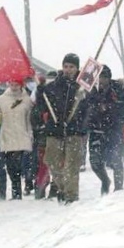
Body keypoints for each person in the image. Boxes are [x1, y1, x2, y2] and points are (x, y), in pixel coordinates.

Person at [35, 53, 88, 204]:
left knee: (72, 165)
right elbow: (42, 107)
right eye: (65, 66)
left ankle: (71, 196)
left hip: (74, 131)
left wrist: (81, 125)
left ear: (77, 68)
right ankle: (63, 188)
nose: (68, 69)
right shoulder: (53, 87)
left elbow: (88, 109)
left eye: (71, 67)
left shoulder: (82, 87)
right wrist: (40, 93)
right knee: (51, 161)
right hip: (55, 130)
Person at [86, 66, 124, 195]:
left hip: (113, 129)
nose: (101, 80)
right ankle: (105, 181)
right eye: (99, 77)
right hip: (96, 130)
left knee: (115, 159)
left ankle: (118, 187)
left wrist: (108, 108)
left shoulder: (118, 89)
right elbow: (86, 106)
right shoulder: (90, 90)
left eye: (104, 77)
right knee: (95, 162)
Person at [0, 80, 33, 200]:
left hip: (23, 135)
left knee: (22, 165)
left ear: (21, 85)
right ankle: (16, 192)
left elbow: (30, 118)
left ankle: (24, 188)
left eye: (16, 84)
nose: (14, 87)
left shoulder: (27, 99)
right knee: (11, 167)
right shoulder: (2, 99)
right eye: (11, 84)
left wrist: (30, 134)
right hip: (8, 135)